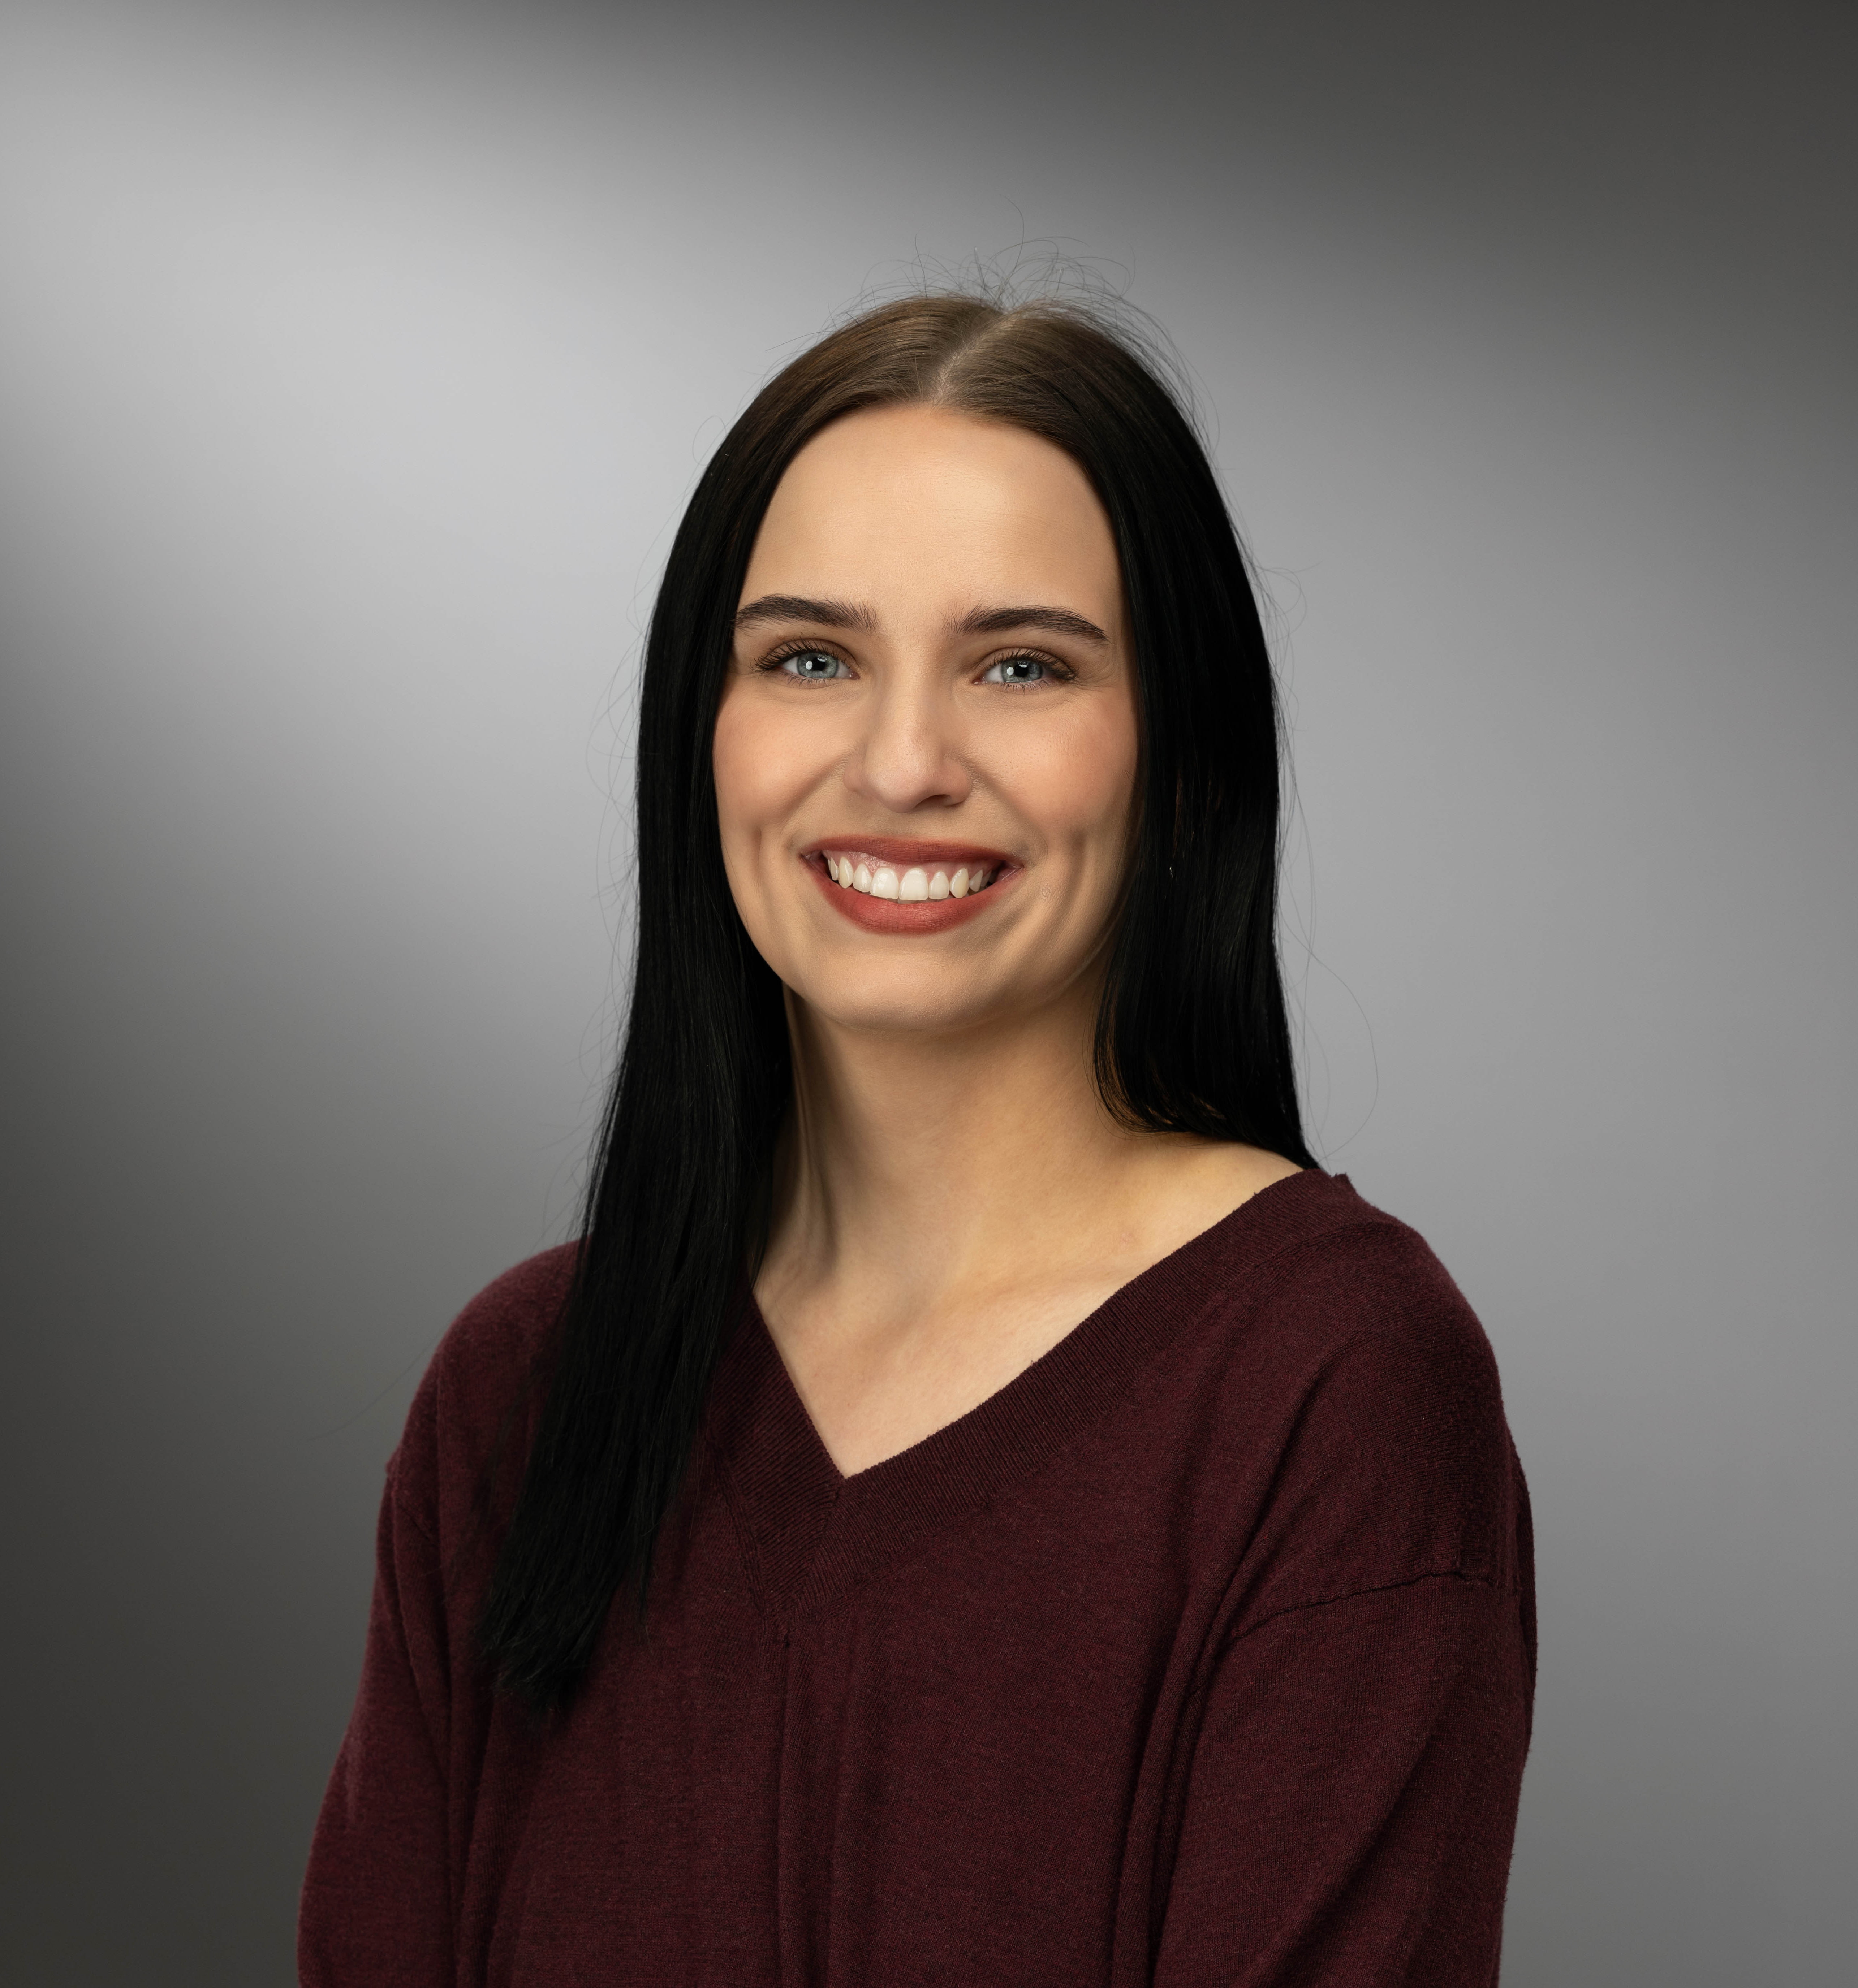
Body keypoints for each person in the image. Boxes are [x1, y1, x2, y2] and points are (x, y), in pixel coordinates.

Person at [299, 290, 1535, 1987]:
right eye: (809, 657)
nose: (899, 760)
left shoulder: (1327, 1382)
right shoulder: (516, 1392)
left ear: (1179, 759)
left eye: (1018, 665)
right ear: (701, 735)